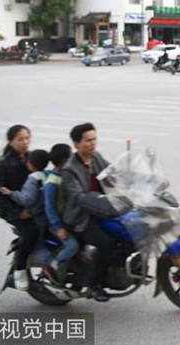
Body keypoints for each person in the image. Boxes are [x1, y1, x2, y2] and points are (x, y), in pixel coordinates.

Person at [61, 122, 115, 302]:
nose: (93, 143)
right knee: (107, 244)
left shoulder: (96, 157)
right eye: (88, 140)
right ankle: (95, 285)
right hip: (81, 218)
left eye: (94, 139)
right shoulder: (69, 169)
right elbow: (79, 197)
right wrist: (101, 200)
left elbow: (112, 174)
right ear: (76, 144)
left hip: (102, 210)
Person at [0, 125, 38, 291]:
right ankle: (20, 270)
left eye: (27, 138)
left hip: (32, 204)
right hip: (13, 208)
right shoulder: (3, 163)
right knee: (31, 232)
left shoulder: (31, 157)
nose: (25, 142)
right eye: (20, 139)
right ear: (11, 142)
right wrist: (18, 213)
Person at [43, 144, 81, 286]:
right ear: (64, 161)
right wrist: (59, 228)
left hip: (71, 218)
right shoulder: (52, 183)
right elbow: (50, 208)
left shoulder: (67, 174)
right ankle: (52, 266)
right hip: (57, 224)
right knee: (72, 246)